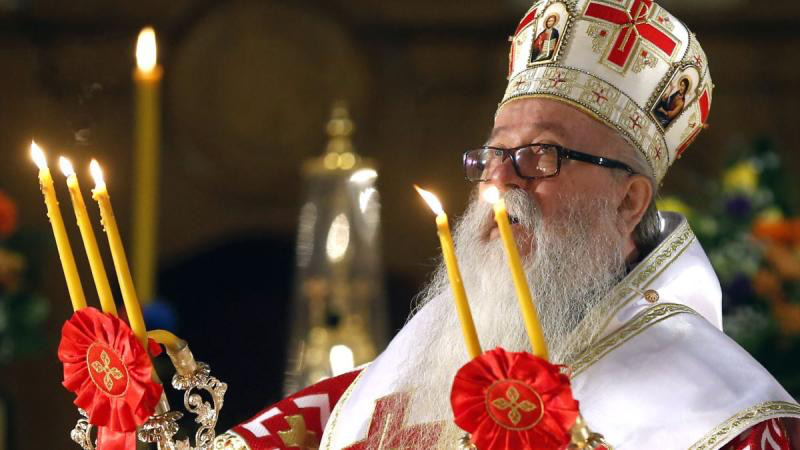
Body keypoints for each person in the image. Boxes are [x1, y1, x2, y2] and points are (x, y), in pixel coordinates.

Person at [215, 1, 800, 448]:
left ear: (629, 201)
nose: (501, 183)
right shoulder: (422, 360)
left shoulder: (732, 420)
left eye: (542, 156)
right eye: (494, 155)